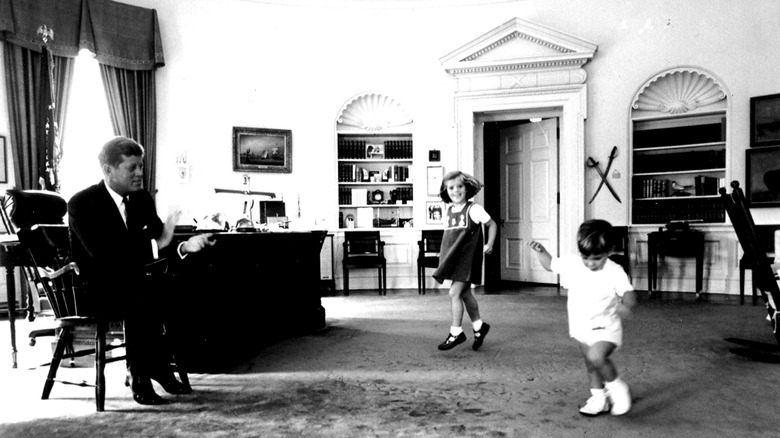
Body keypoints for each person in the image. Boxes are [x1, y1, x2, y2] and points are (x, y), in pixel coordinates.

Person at [68, 136, 215, 406]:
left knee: (179, 288)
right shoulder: (81, 203)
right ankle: (144, 372)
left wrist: (184, 245)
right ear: (108, 170)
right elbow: (104, 255)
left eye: (141, 167)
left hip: (134, 281)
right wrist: (154, 243)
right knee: (144, 294)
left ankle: (155, 366)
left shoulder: (141, 199)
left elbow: (161, 239)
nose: (139, 174)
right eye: (132, 167)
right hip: (96, 287)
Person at [528, 219, 636, 416]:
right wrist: (541, 251)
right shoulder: (573, 263)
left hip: (606, 326)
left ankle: (618, 388)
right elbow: (551, 264)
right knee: (591, 364)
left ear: (609, 251)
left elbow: (628, 292)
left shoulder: (614, 271)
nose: (590, 263)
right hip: (581, 326)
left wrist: (626, 305)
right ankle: (598, 398)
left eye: (597, 258)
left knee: (596, 357)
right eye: (586, 257)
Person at [432, 171, 497, 351]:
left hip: (468, 260)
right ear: (446, 191)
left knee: (454, 293)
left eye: (459, 186)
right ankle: (479, 327)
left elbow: (492, 225)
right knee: (465, 294)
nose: (456, 191)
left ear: (466, 188)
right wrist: (442, 254)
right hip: (454, 259)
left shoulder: (474, 209)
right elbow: (449, 237)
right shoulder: (449, 211)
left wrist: (489, 243)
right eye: (451, 188)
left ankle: (456, 332)